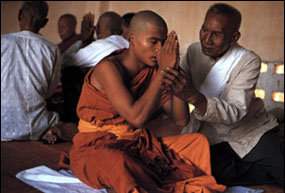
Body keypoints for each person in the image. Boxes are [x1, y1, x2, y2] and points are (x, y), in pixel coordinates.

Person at [58, 10, 226, 193]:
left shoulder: (153, 71)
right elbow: (136, 118)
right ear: (132, 38)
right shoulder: (108, 68)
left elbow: (181, 119)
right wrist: (163, 72)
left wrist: (174, 70)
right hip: (96, 147)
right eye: (153, 41)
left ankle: (142, 176)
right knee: (117, 161)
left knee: (197, 143)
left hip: (135, 144)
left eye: (163, 43)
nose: (159, 49)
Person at [161, 3, 284, 186]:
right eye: (204, 30)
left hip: (248, 132)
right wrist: (170, 69)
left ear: (234, 38)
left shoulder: (248, 61)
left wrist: (193, 96)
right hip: (212, 133)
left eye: (216, 34)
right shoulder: (194, 51)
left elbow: (235, 111)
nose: (207, 39)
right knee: (199, 171)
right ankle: (259, 170)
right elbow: (179, 88)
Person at [1, 1, 61, 142]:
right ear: (45, 22)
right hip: (35, 127)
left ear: (19, 16)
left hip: (2, 126)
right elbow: (50, 91)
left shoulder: (2, 42)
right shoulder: (51, 49)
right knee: (57, 114)